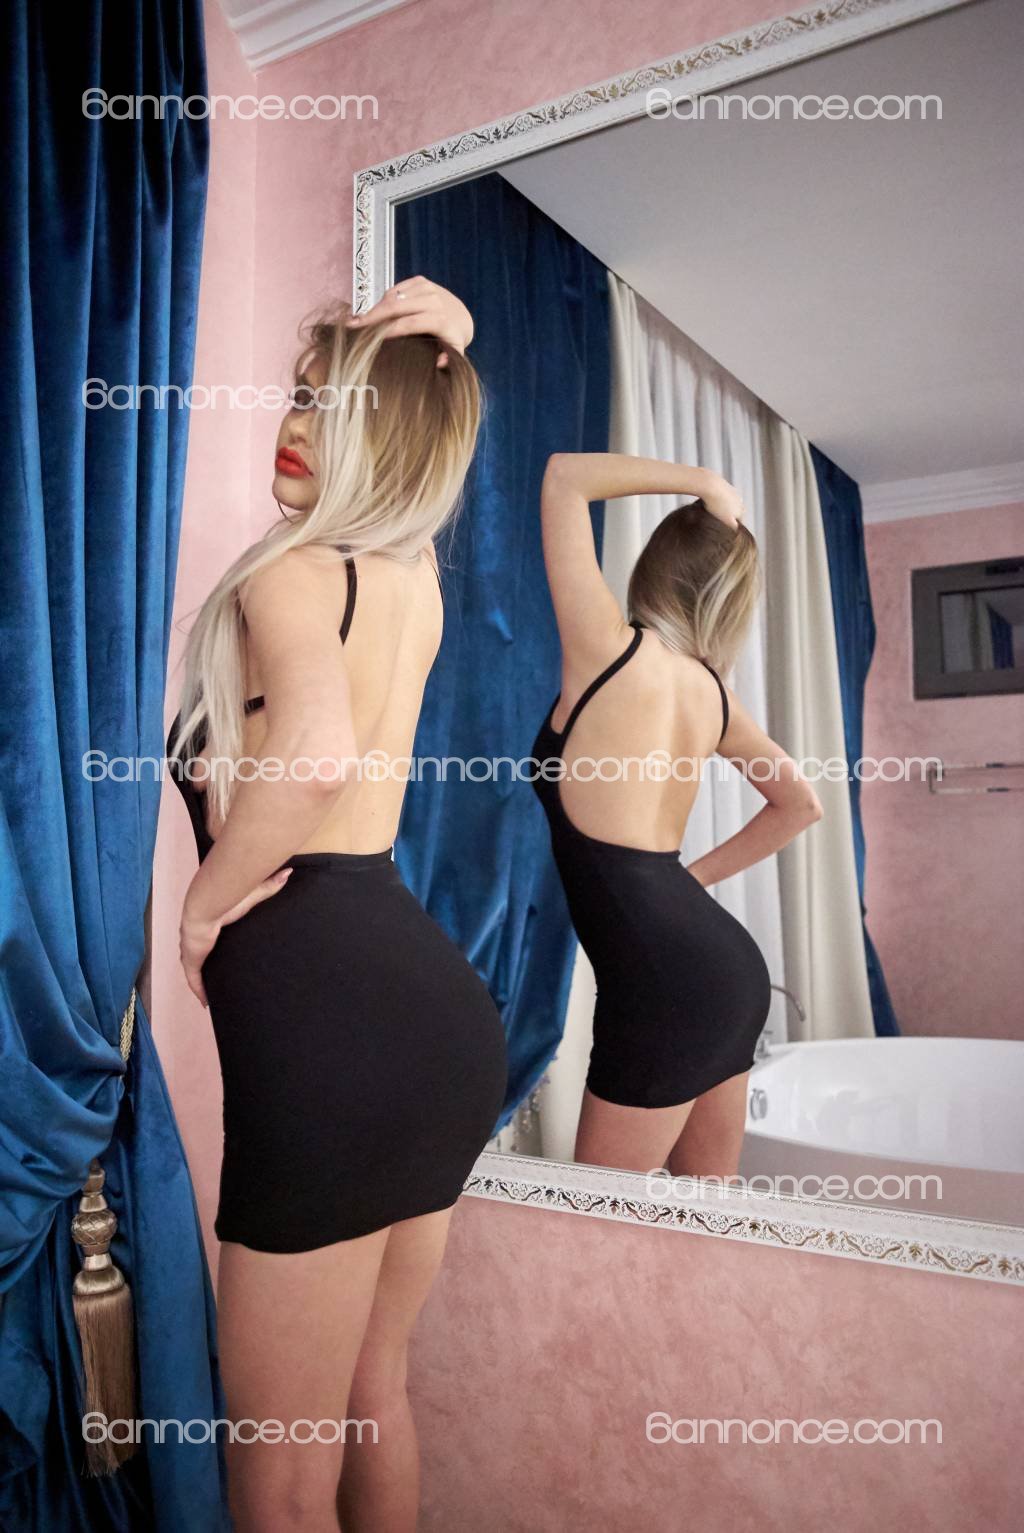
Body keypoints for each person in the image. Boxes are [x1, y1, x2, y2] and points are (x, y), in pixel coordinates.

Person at [166, 277, 507, 1533]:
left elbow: (312, 756)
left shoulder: (296, 571)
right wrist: (442, 343)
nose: (299, 425)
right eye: (303, 394)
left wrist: (202, 907)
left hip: (328, 1029)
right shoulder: (408, 577)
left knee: (277, 1476)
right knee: (373, 1396)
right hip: (432, 1019)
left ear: (391, 433)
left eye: (343, 407)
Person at [531, 453, 822, 1179]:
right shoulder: (712, 694)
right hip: (726, 972)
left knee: (599, 1222)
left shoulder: (604, 650)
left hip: (665, 986)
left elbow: (564, 478)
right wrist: (687, 882)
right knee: (705, 1217)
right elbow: (800, 805)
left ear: (652, 568)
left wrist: (702, 483)